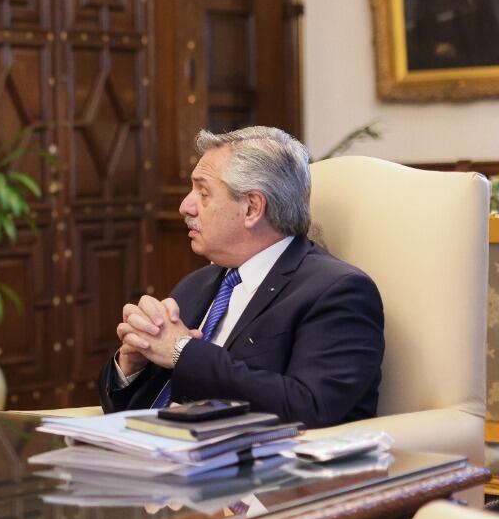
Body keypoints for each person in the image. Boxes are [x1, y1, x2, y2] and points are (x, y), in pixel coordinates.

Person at [99, 127, 384, 428]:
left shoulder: (337, 291)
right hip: (152, 456)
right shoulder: (196, 285)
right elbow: (137, 408)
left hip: (257, 469)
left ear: (252, 208)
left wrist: (182, 351)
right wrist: (132, 364)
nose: (185, 206)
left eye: (203, 192)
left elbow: (309, 407)